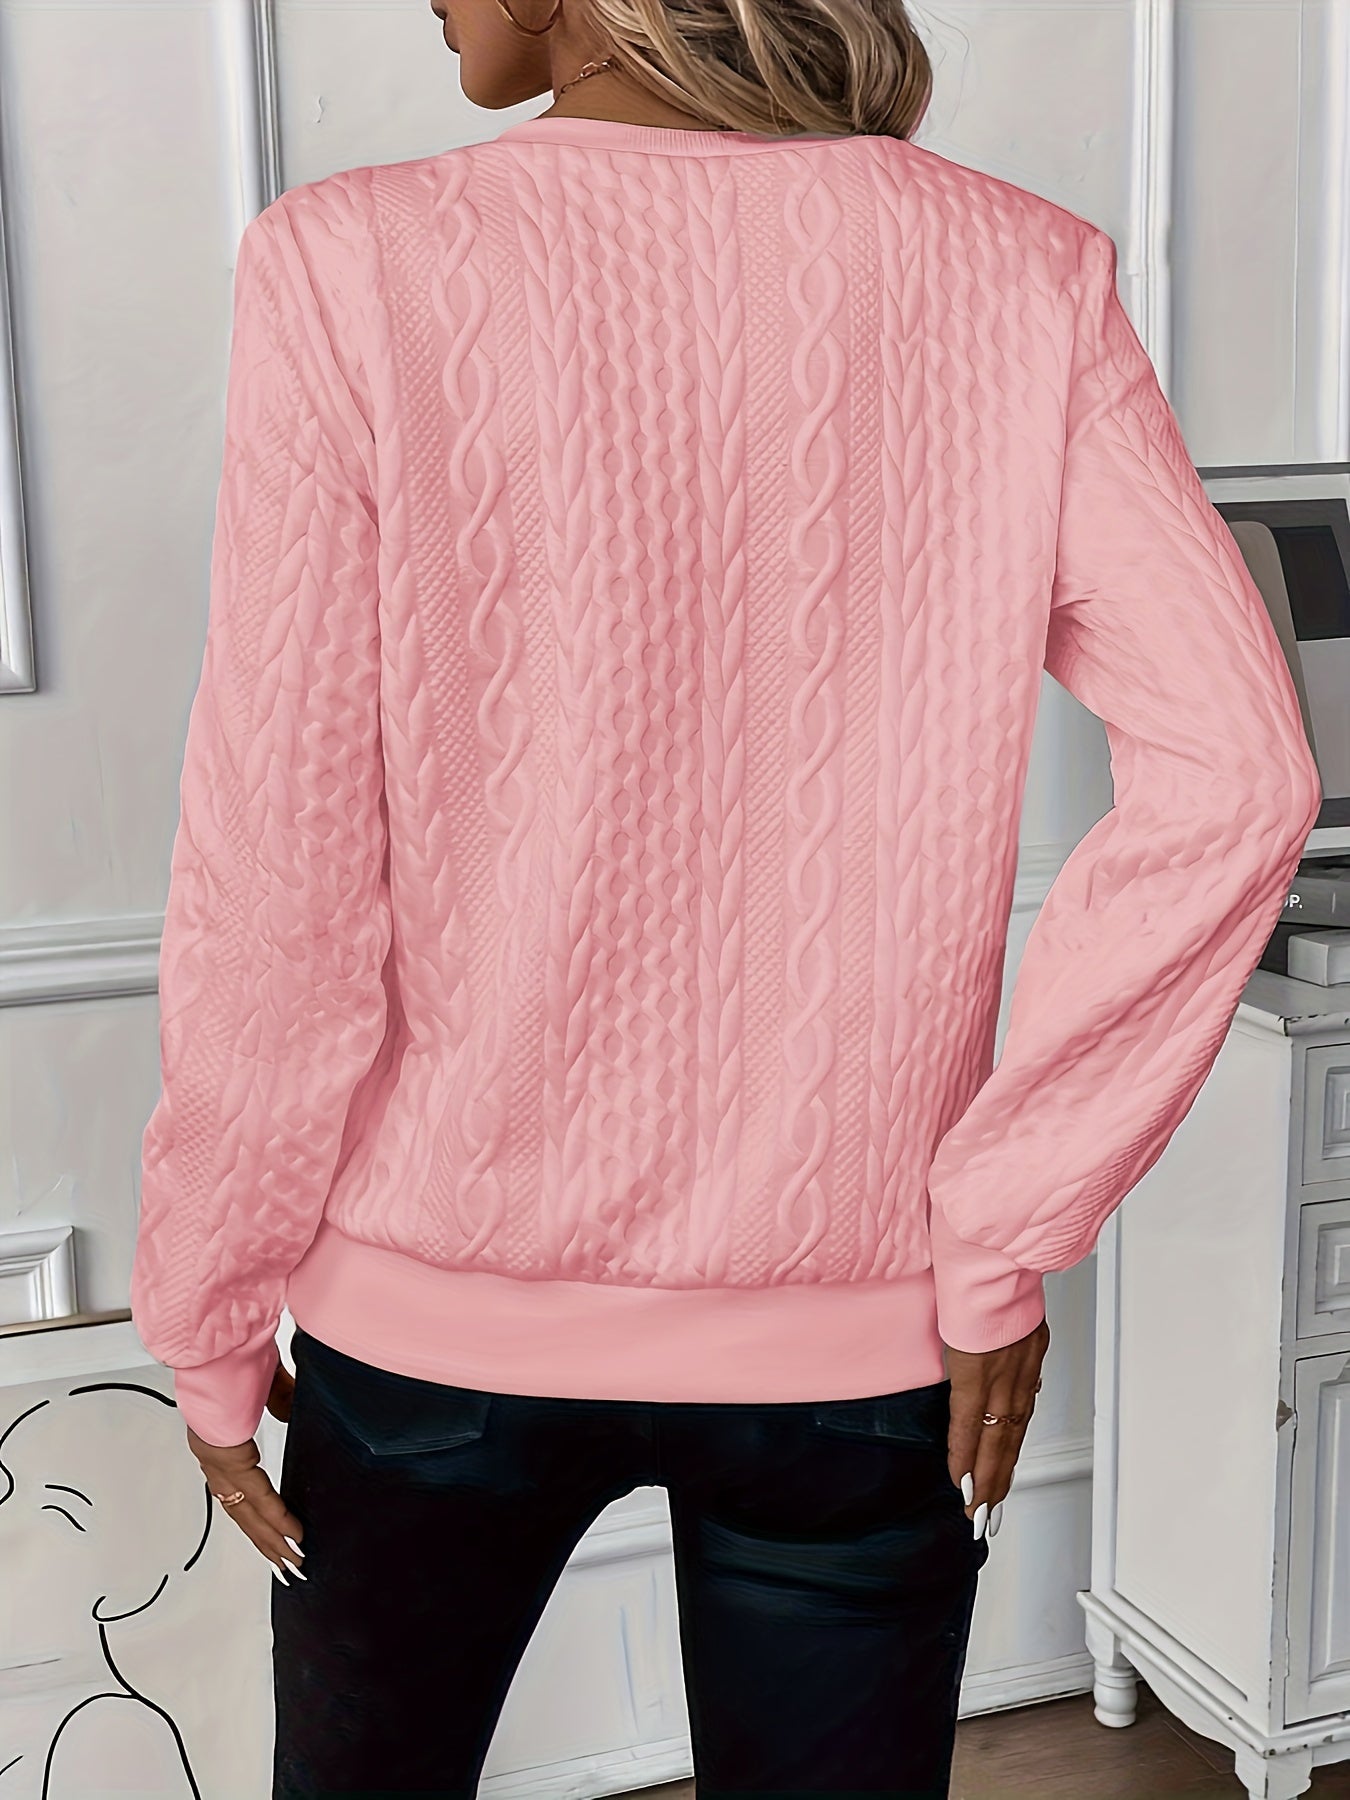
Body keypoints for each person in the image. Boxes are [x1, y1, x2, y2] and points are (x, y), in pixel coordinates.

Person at [128, 0, 1322, 1794]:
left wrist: (210, 1304)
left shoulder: (351, 260)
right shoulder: (1020, 271)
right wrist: (996, 1225)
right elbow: (1244, 771)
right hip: (862, 1348)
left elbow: (277, 848)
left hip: (432, 1343)